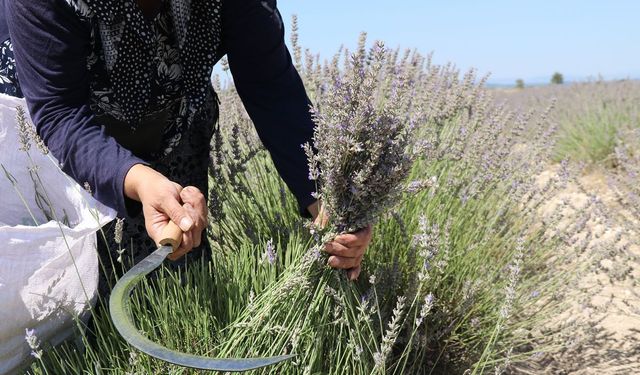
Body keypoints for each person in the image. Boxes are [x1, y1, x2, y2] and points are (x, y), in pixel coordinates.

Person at [1, 0, 372, 289]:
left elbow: (272, 88)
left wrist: (328, 197)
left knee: (173, 274)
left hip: (170, 108)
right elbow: (59, 111)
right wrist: (137, 179)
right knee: (61, 283)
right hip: (41, 124)